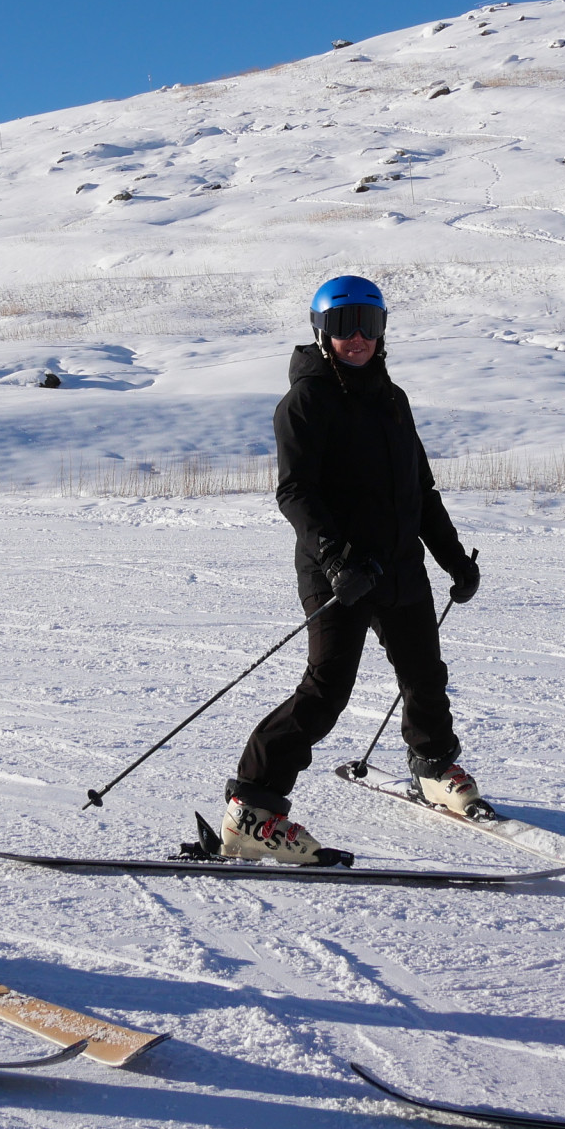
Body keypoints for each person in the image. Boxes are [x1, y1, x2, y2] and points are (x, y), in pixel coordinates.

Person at [221, 276, 484, 864]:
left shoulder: (393, 398)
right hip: (336, 572)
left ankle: (433, 767)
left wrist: (452, 559)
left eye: (369, 323)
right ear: (322, 332)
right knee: (325, 692)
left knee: (424, 674)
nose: (358, 336)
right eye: (344, 325)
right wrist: (337, 560)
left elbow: (420, 489)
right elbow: (295, 493)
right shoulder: (305, 401)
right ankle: (251, 809)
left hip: (398, 567)